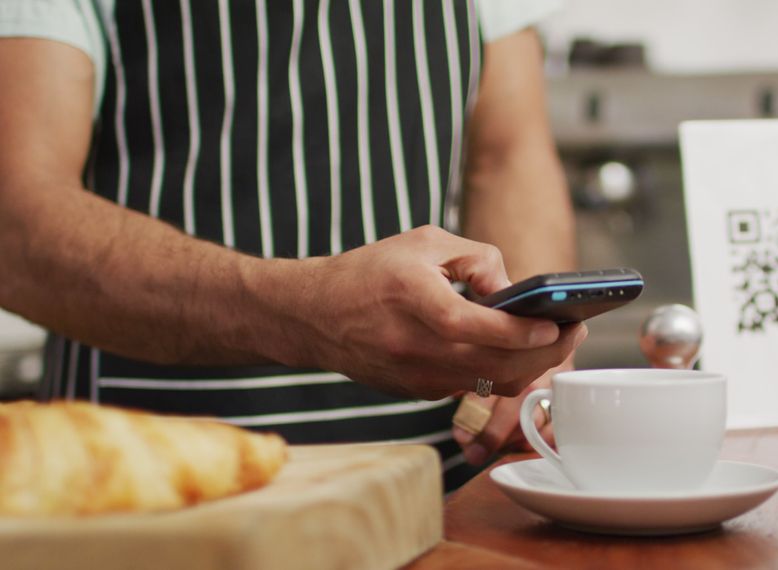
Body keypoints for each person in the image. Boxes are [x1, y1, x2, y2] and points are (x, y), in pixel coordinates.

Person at [0, 0, 580, 490]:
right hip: (146, 480)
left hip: (435, 480)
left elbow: (509, 157)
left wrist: (521, 344)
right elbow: (16, 223)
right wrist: (304, 314)